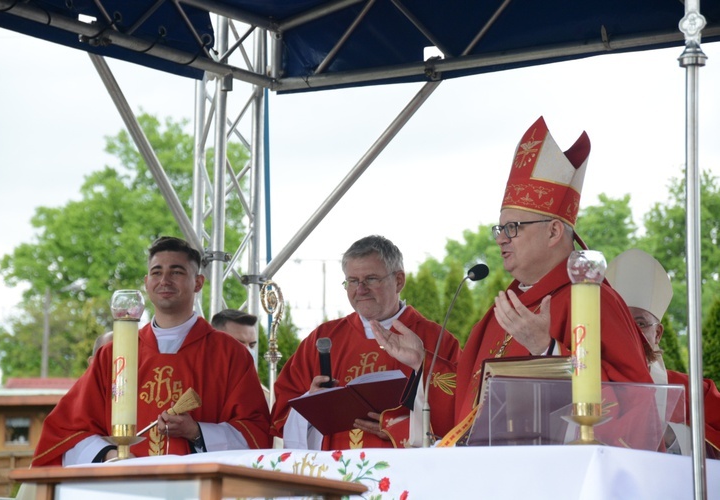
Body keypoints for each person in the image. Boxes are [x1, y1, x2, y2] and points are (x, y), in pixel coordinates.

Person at [374, 116, 653, 446]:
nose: (501, 239)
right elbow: (469, 406)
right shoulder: (503, 312)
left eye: (513, 228)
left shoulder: (591, 301)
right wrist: (422, 361)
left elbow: (636, 409)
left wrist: (546, 349)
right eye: (500, 229)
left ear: (553, 231)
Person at [32, 236, 271, 466]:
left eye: (176, 272)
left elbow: (256, 433)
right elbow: (64, 431)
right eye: (157, 272)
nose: (164, 280)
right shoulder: (113, 356)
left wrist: (197, 432)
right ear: (147, 282)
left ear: (198, 282)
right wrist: (112, 456)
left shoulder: (229, 354)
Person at [271, 235, 461, 450]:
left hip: (405, 472)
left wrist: (402, 429)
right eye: (352, 280)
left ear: (399, 280)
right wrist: (310, 403)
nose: (360, 289)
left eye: (371, 279)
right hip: (335, 473)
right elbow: (282, 414)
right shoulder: (323, 338)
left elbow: (460, 414)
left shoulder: (436, 340)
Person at [607, 248, 720, 458]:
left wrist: (670, 434)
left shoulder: (695, 391)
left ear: (657, 334)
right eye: (620, 322)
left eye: (640, 323)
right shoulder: (589, 383)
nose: (630, 333)